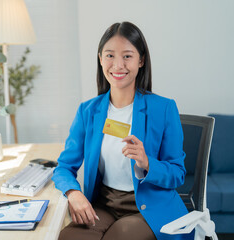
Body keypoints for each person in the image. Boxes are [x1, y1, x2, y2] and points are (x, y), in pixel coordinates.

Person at [52, 22, 193, 240]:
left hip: (150, 207)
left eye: (127, 56)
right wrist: (73, 193)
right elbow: (63, 168)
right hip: (104, 204)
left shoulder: (163, 108)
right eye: (110, 56)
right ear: (100, 59)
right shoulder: (88, 111)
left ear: (141, 60)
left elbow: (177, 174)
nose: (118, 65)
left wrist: (147, 163)